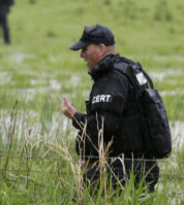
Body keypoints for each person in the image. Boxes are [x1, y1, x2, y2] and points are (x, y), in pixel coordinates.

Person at [60, 24, 159, 195]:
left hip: (123, 169)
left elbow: (103, 126)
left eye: (85, 49)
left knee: (77, 204)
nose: (81, 55)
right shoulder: (129, 70)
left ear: (101, 48)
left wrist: (74, 116)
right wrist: (91, 157)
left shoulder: (111, 79)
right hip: (144, 166)